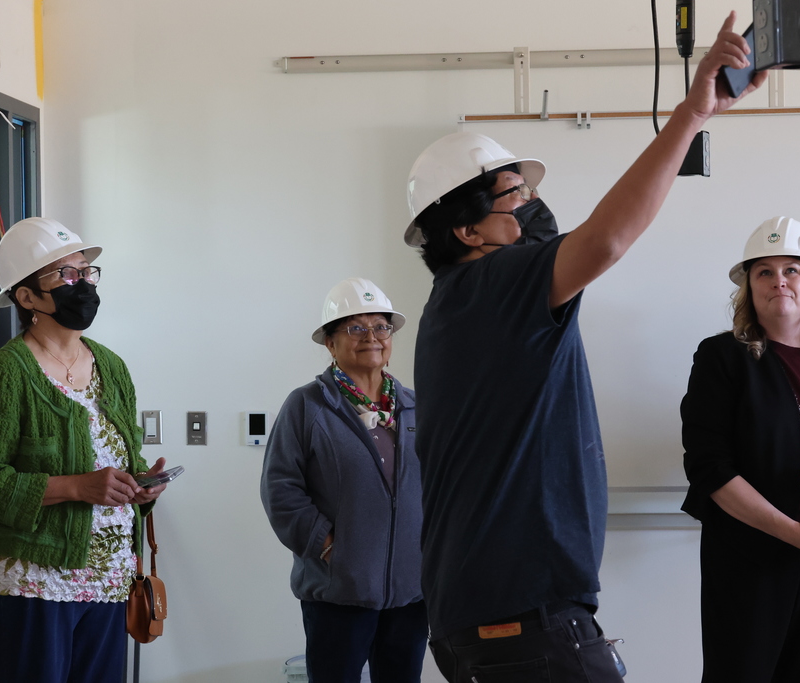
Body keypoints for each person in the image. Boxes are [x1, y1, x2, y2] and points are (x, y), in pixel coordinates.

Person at [405, 12, 766, 682]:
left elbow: (554, 239)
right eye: (514, 195)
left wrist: (518, 194)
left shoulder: (460, 305)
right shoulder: (493, 286)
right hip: (521, 616)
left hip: (486, 614)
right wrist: (691, 113)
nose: (529, 204)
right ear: (467, 232)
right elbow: (606, 239)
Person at [0, 217, 169, 683]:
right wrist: (76, 487)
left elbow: (120, 459)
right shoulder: (3, 375)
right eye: (66, 275)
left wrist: (140, 486)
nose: (83, 284)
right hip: (33, 584)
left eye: (87, 272)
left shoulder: (111, 366)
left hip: (108, 581)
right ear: (27, 297)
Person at [681, 216, 800, 683]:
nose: (779, 281)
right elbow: (709, 466)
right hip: (751, 556)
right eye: (764, 271)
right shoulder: (721, 358)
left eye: (791, 270)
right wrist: (794, 533)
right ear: (748, 288)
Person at [261, 277, 427, 683]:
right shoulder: (307, 406)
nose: (372, 337)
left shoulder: (414, 406)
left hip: (410, 591)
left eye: (381, 327)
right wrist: (328, 545)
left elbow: (440, 483)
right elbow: (280, 489)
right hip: (339, 591)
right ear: (330, 343)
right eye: (356, 328)